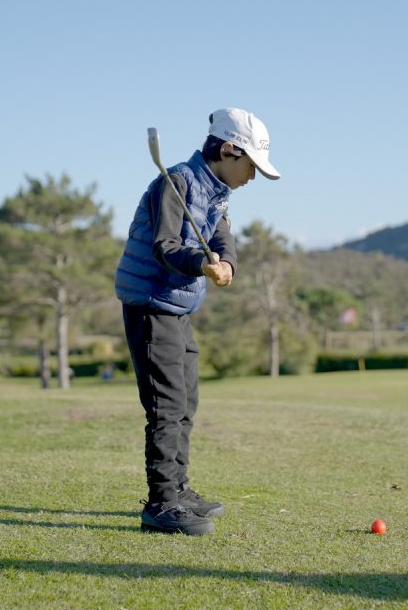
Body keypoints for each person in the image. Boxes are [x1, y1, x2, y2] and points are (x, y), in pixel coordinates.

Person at [115, 108, 280, 535]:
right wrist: (201, 265)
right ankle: (161, 503)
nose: (253, 176)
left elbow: (223, 236)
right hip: (151, 304)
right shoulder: (175, 183)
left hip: (178, 307)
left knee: (186, 401)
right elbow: (165, 246)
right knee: (166, 406)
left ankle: (178, 488)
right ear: (228, 151)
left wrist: (227, 263)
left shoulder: (216, 192)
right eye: (251, 166)